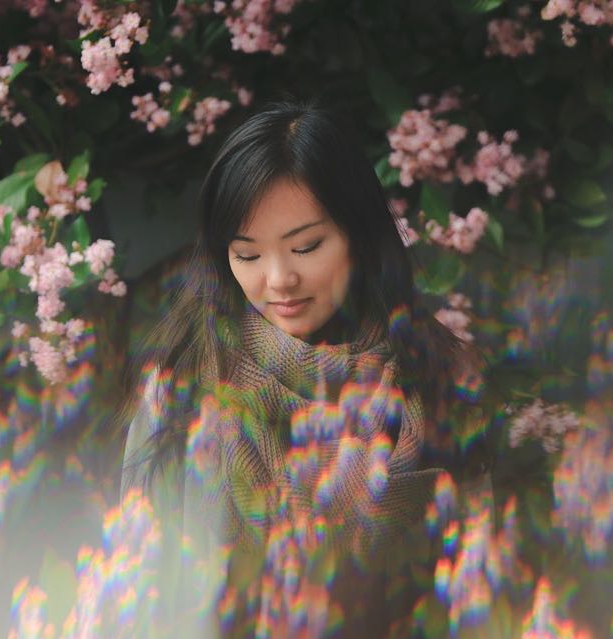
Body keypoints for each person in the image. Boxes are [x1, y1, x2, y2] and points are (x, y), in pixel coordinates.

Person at [117, 99, 490, 638]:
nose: (279, 280)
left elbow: (476, 590)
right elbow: (141, 588)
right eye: (247, 255)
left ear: (358, 237)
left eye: (306, 246)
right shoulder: (181, 388)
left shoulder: (436, 380)